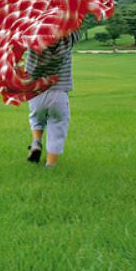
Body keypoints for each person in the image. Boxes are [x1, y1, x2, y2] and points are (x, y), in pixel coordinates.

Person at [25, 30, 80, 168]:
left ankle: (36, 141)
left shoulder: (32, 36)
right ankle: (50, 165)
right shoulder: (68, 39)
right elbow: (76, 26)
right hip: (59, 92)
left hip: (35, 89)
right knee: (58, 126)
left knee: (36, 118)